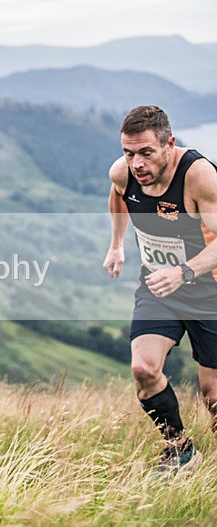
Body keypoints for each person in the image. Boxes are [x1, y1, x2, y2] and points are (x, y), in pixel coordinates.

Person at [103, 105, 217, 477]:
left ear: (169, 144)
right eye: (128, 152)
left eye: (146, 152)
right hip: (158, 287)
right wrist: (117, 245)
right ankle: (180, 451)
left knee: (213, 397)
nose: (136, 163)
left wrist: (184, 272)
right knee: (143, 369)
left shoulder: (199, 177)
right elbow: (118, 196)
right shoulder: (123, 173)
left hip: (209, 292)